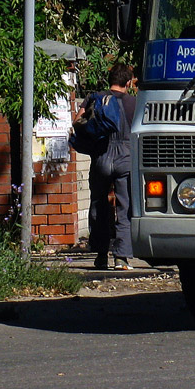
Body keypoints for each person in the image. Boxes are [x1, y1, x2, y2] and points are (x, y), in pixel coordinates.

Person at [80, 63, 138, 271]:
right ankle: (121, 257)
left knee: (99, 204)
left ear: (109, 80)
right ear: (129, 82)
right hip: (126, 157)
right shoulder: (135, 103)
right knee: (125, 207)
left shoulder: (95, 98)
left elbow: (78, 122)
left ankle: (101, 254)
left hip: (101, 157)